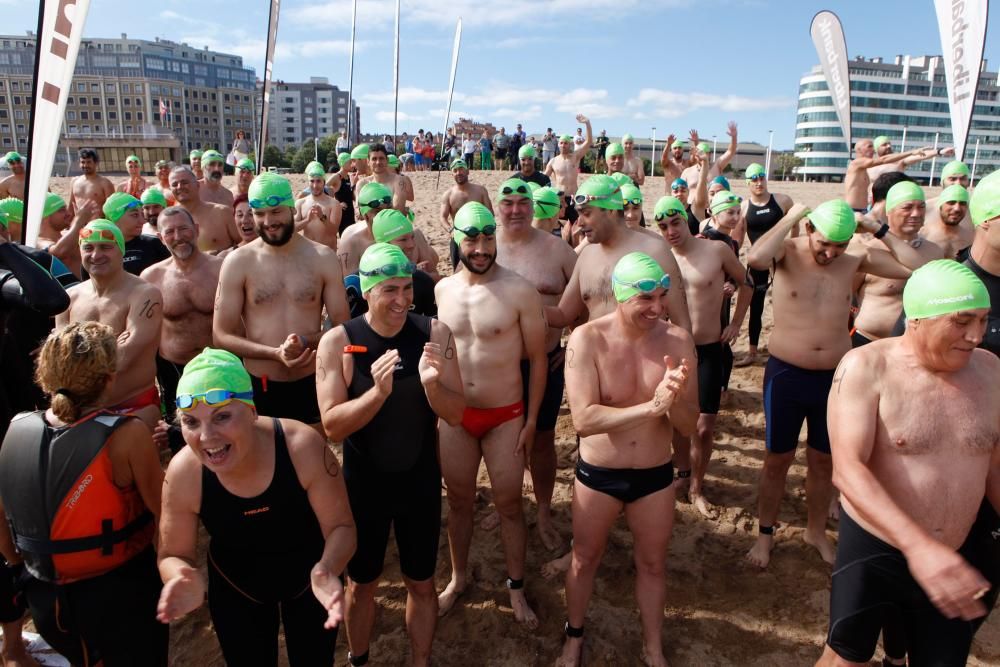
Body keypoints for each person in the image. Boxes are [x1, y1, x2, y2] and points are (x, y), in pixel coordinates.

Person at [814, 260, 998, 667]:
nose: (976, 335)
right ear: (916, 319)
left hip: (955, 550)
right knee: (845, 659)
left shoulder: (990, 371)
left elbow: (995, 466)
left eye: (984, 320)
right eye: (962, 321)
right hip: (879, 546)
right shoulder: (867, 367)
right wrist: (918, 548)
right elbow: (848, 470)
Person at [743, 199, 926, 569]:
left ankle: (814, 531)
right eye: (824, 242)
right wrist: (795, 215)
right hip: (786, 374)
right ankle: (765, 535)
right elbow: (757, 259)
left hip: (833, 377)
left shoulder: (854, 259)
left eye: (838, 245)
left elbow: (918, 268)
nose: (830, 252)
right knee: (777, 459)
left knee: (823, 461)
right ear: (810, 230)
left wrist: (876, 228)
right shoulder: (789, 251)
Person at [156, 348, 356, 666]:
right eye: (191, 422)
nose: (207, 437)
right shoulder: (184, 473)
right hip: (237, 588)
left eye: (222, 416)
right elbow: (172, 554)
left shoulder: (300, 446)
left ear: (251, 410)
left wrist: (328, 567)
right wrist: (180, 574)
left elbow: (342, 528)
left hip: (310, 580)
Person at [316, 243, 463, 667]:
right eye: (389, 291)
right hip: (364, 487)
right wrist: (379, 393)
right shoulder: (340, 343)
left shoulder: (435, 334)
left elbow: (456, 415)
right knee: (362, 585)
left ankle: (420, 661)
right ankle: (358, 659)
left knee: (421, 583)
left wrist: (433, 387)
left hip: (418, 480)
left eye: (406, 289)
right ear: (366, 291)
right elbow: (332, 426)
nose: (402, 300)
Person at [558, 252, 698, 667]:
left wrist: (673, 402)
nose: (657, 308)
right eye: (645, 299)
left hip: (654, 477)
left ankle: (652, 647)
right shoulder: (588, 339)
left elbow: (688, 427)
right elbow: (583, 419)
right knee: (584, 560)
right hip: (599, 474)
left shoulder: (678, 340)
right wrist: (651, 408)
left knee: (653, 564)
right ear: (621, 297)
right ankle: (574, 637)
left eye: (662, 297)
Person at [0, 321, 166, 666]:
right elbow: (166, 512)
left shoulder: (15, 428)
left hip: (45, 600)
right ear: (108, 378)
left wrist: (21, 566)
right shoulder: (126, 434)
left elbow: (2, 523)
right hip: (118, 596)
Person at [435, 202, 546, 628]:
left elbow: (537, 359)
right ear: (457, 239)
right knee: (460, 504)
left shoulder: (520, 290)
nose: (481, 248)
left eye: (487, 238)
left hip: (506, 415)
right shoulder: (442, 291)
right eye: (471, 239)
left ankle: (515, 587)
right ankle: (459, 578)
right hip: (456, 416)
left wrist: (532, 420)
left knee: (510, 505)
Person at [214, 173, 349, 426]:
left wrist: (307, 341)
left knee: (311, 455)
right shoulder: (238, 262)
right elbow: (221, 335)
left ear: (291, 208)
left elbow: (342, 325)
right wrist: (275, 354)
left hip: (310, 379)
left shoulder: (322, 258)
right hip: (260, 384)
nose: (268, 221)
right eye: (260, 214)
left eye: (276, 212)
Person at [494, 178, 578, 550]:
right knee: (503, 442)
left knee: (542, 440)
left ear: (533, 207)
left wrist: (573, 342)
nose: (515, 209)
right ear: (498, 206)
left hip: (547, 362)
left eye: (521, 202)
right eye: (507, 202)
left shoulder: (559, 251)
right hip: (498, 368)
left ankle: (543, 512)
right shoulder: (484, 248)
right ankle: (507, 508)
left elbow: (584, 303)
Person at [656, 193, 752, 518]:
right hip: (675, 349)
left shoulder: (717, 250)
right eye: (664, 226)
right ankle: (683, 474)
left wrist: (736, 323)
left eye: (676, 222)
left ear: (687, 219)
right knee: (676, 421)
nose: (671, 230)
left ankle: (697, 486)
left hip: (711, 349)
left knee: (704, 428)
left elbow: (748, 282)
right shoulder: (662, 259)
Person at [546, 175, 692, 332]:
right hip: (596, 354)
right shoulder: (586, 256)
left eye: (586, 214)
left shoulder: (656, 252)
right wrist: (524, 302)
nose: (580, 223)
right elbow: (562, 315)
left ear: (611, 211)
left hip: (643, 355)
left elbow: (681, 324)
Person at [56, 220, 163, 428]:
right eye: (88, 248)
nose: (96, 255)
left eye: (106, 247)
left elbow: (124, 359)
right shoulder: (69, 297)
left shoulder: (144, 294)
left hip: (132, 406)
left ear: (121, 250)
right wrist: (111, 346)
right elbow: (59, 363)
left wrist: (78, 356)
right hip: (80, 407)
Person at [140, 206, 224, 453]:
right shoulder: (151, 278)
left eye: (184, 229)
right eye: (170, 232)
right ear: (160, 237)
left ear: (196, 230)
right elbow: (145, 332)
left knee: (226, 433)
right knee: (183, 441)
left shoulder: (222, 270)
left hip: (220, 367)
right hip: (174, 370)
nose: (178, 237)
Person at [851, 181, 945, 347]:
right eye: (907, 207)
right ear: (890, 211)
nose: (916, 214)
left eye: (921, 207)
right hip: (868, 342)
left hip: (916, 346)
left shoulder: (935, 251)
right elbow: (847, 296)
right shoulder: (870, 250)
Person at [735, 162, 796, 366]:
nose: (759, 183)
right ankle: (752, 351)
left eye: (761, 178)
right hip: (757, 260)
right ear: (748, 183)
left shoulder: (781, 200)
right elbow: (740, 236)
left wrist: (793, 244)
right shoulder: (744, 207)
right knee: (756, 305)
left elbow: (795, 220)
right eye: (754, 179)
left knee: (786, 303)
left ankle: (786, 346)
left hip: (781, 258)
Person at [844, 138, 933, 212]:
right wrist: (911, 152)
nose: (873, 150)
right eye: (869, 147)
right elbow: (883, 160)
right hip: (852, 211)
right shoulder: (856, 163)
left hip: (864, 210)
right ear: (859, 150)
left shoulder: (864, 168)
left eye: (873, 147)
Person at [169, 165, 238, 253]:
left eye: (185, 182)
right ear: (170, 189)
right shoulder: (170, 220)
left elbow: (246, 243)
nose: (179, 187)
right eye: (174, 184)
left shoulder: (222, 213)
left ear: (198, 185)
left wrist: (225, 254)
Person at [440, 159, 494, 269]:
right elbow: (442, 217)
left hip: (480, 235)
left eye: (461, 169)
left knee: (483, 269)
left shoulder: (481, 191)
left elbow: (490, 213)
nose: (458, 173)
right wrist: (451, 230)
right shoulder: (448, 195)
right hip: (459, 236)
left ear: (467, 171)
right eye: (455, 170)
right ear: (452, 174)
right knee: (457, 270)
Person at [103, 192, 171, 276]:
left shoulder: (156, 245)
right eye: (135, 215)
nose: (143, 221)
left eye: (142, 214)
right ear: (115, 219)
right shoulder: (99, 250)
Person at [678, 124, 738, 203]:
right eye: (700, 153)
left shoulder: (717, 166)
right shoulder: (687, 172)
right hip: (692, 211)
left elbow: (730, 151)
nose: (702, 156)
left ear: (710, 154)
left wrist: (734, 137)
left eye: (705, 153)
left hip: (713, 208)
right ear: (695, 155)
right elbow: (680, 192)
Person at [866, 135, 952, 186]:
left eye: (889, 144)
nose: (888, 146)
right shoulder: (869, 164)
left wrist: (939, 151)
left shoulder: (899, 160)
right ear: (876, 149)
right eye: (884, 145)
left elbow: (920, 155)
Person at [354, 144, 412, 214]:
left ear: (387, 160)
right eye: (374, 159)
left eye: (381, 158)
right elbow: (359, 212)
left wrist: (371, 209)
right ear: (368, 162)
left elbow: (398, 210)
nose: (378, 162)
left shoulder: (398, 180)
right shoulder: (362, 183)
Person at [296, 161, 341, 250]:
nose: (315, 185)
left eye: (318, 181)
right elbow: (291, 230)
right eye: (312, 181)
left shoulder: (334, 204)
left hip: (327, 255)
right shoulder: (300, 203)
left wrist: (322, 217)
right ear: (308, 182)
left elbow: (333, 232)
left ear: (324, 182)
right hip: (308, 254)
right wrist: (307, 220)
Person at [922, 184, 973, 260]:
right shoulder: (923, 233)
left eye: (962, 203)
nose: (957, 208)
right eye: (951, 203)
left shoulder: (972, 234)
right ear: (940, 206)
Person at [69, 148, 115, 218]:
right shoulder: (74, 181)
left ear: (96, 163)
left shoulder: (105, 183)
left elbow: (112, 209)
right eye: (83, 162)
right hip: (79, 226)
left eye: (88, 162)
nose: (85, 165)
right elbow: (71, 207)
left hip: (98, 226)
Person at [328, 152, 356, 234]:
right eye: (350, 162)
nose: (352, 164)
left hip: (350, 213)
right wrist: (337, 204)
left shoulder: (348, 177)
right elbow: (323, 189)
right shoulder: (336, 177)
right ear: (343, 163)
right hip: (342, 214)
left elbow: (350, 196)